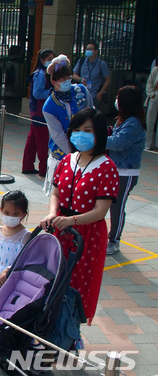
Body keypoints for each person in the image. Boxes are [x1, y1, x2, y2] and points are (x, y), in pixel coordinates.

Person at [40, 108, 118, 325]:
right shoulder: (67, 160)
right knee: (51, 279)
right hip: (60, 227)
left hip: (87, 234)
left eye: (87, 130)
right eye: (76, 129)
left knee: (78, 284)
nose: (80, 134)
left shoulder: (107, 168)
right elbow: (55, 192)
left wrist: (71, 221)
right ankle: (47, 326)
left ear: (99, 133)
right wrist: (52, 213)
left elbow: (100, 211)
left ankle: (69, 332)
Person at [42, 55, 93, 195]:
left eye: (68, 78)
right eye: (62, 80)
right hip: (63, 153)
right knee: (61, 193)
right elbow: (57, 135)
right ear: (54, 82)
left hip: (87, 147)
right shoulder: (49, 106)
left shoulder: (81, 91)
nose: (67, 82)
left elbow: (92, 113)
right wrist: (74, 155)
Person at [106, 86, 146, 255]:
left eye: (118, 98)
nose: (116, 101)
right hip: (116, 170)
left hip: (126, 172)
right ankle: (109, 237)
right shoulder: (124, 120)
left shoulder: (134, 123)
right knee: (109, 205)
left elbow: (119, 142)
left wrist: (99, 137)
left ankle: (114, 240)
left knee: (117, 207)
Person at [22, 49, 54, 177]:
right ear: (42, 60)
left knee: (33, 140)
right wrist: (52, 93)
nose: (51, 61)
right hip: (39, 113)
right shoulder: (40, 74)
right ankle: (43, 169)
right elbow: (37, 93)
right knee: (42, 141)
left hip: (38, 112)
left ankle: (28, 166)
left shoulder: (43, 73)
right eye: (49, 58)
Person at [72, 41, 111, 105]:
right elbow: (74, 75)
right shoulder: (82, 61)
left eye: (90, 49)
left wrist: (101, 92)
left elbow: (108, 79)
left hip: (94, 95)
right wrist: (80, 79)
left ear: (96, 51)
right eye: (87, 49)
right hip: (81, 94)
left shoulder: (101, 64)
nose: (88, 51)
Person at [145, 65, 158, 150]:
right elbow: (149, 83)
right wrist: (151, 94)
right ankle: (147, 143)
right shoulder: (156, 69)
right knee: (150, 120)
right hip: (155, 94)